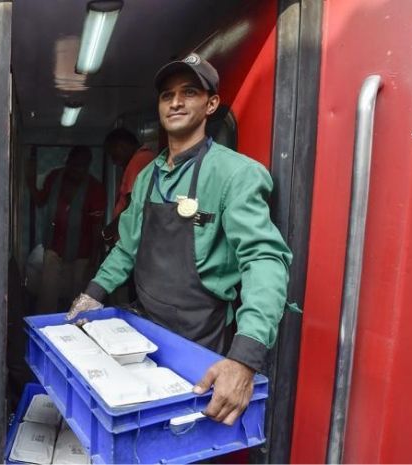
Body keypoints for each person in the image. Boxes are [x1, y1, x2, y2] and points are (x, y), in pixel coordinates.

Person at [67, 53, 294, 426]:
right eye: (166, 95)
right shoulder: (147, 178)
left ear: (211, 104)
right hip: (144, 336)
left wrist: (245, 358)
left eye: (189, 92)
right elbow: (127, 247)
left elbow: (263, 260)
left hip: (200, 346)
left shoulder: (235, 175)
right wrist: (93, 293)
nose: (175, 102)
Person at [32, 145, 106, 314]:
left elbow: (97, 226)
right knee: (47, 295)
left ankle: (75, 329)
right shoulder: (54, 178)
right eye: (74, 165)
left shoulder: (95, 188)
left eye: (82, 167)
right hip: (53, 248)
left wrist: (93, 261)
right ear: (68, 163)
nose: (76, 171)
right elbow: (40, 201)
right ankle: (46, 328)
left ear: (87, 167)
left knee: (78, 298)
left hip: (83, 253)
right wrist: (30, 181)